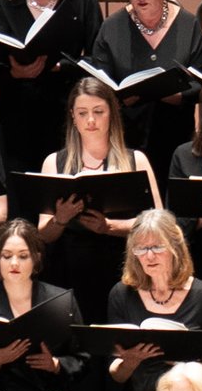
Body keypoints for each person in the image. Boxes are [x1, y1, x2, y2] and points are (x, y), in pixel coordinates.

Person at [31, 74, 161, 319]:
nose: (90, 120)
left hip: (124, 268)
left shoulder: (135, 160)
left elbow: (159, 224)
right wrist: (60, 219)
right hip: (69, 270)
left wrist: (109, 227)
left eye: (98, 111)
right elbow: (42, 235)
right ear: (72, 115)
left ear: (111, 112)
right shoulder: (54, 162)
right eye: (82, 113)